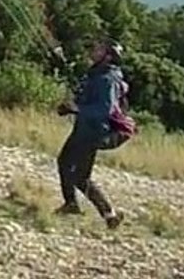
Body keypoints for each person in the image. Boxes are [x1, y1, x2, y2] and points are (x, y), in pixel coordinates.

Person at [53, 37, 133, 229]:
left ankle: (105, 213)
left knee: (79, 176)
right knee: (66, 163)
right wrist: (71, 107)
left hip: (94, 132)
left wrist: (77, 109)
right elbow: (86, 97)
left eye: (100, 49)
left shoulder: (108, 79)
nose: (94, 51)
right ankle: (81, 207)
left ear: (108, 56)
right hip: (84, 129)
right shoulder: (96, 74)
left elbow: (104, 110)